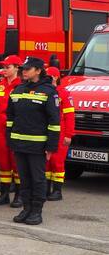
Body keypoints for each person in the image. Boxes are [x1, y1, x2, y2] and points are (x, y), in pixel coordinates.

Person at [7, 56, 60, 225]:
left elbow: (54, 121)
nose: (24, 71)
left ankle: (37, 211)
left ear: (38, 70)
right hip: (19, 143)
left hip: (38, 145)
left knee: (37, 179)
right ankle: (26, 208)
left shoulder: (49, 91)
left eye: (28, 69)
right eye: (23, 68)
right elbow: (10, 117)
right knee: (24, 178)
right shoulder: (17, 90)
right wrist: (10, 139)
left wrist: (51, 146)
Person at [0, 55, 23, 207]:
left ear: (17, 68)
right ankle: (4, 194)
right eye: (3, 67)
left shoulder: (23, 85)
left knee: (16, 163)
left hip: (17, 128)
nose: (4, 70)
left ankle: (19, 195)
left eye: (8, 67)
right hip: (0, 129)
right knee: (3, 163)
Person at [45, 66, 74, 202]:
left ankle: (57, 191)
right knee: (47, 162)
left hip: (61, 132)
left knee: (57, 162)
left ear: (55, 78)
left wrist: (69, 134)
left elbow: (69, 116)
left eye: (48, 77)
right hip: (47, 131)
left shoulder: (64, 93)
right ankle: (46, 189)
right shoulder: (45, 92)